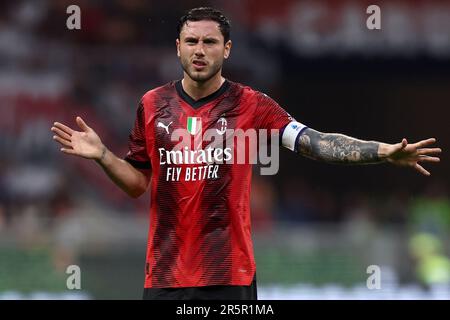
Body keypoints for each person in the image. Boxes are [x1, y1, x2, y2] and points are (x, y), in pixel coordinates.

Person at [50, 7, 441, 300]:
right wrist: (103, 155)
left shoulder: (252, 105)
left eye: (209, 42)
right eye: (191, 42)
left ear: (228, 48)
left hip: (229, 278)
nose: (199, 51)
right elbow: (137, 184)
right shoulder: (152, 105)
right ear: (178, 47)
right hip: (165, 277)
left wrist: (381, 152)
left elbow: (314, 142)